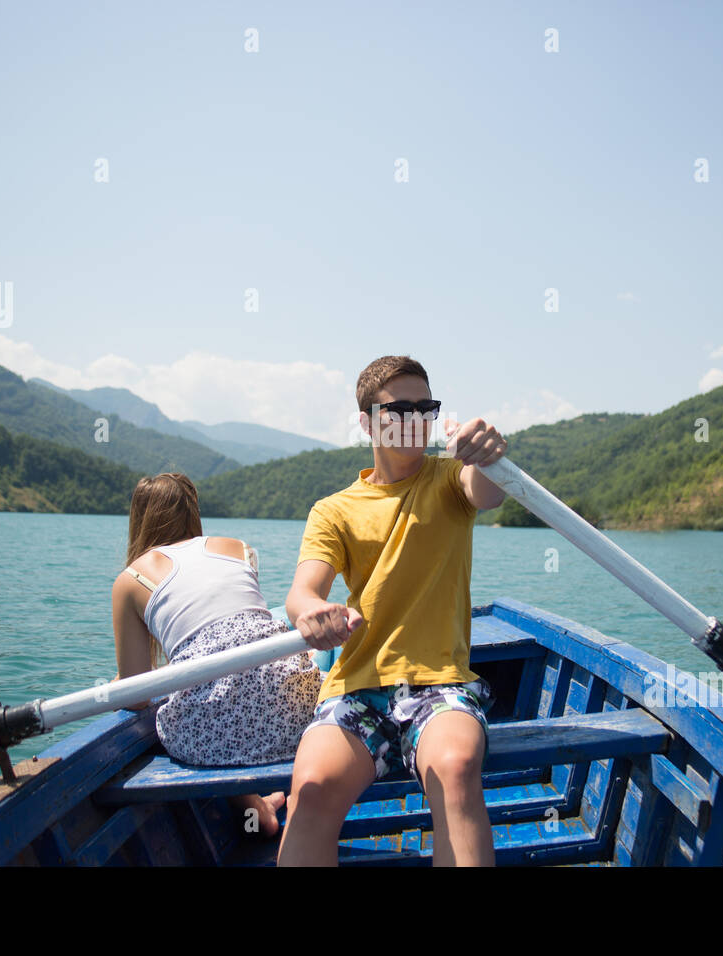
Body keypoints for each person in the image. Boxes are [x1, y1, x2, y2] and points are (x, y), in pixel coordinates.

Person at [278, 354, 509, 866]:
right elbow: (303, 593)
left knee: (454, 767)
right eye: (399, 408)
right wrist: (313, 612)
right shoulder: (333, 510)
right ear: (367, 421)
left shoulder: (451, 480)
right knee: (311, 790)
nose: (415, 419)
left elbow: (487, 491)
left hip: (440, 685)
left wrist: (490, 453)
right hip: (357, 687)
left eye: (425, 407)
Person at [111, 472, 333, 837]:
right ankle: (278, 805)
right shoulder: (240, 549)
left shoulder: (130, 580)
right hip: (299, 720)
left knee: (206, 701)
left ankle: (256, 809)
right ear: (193, 514)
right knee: (263, 674)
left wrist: (123, 680)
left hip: (204, 743)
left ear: (138, 520)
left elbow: (135, 699)